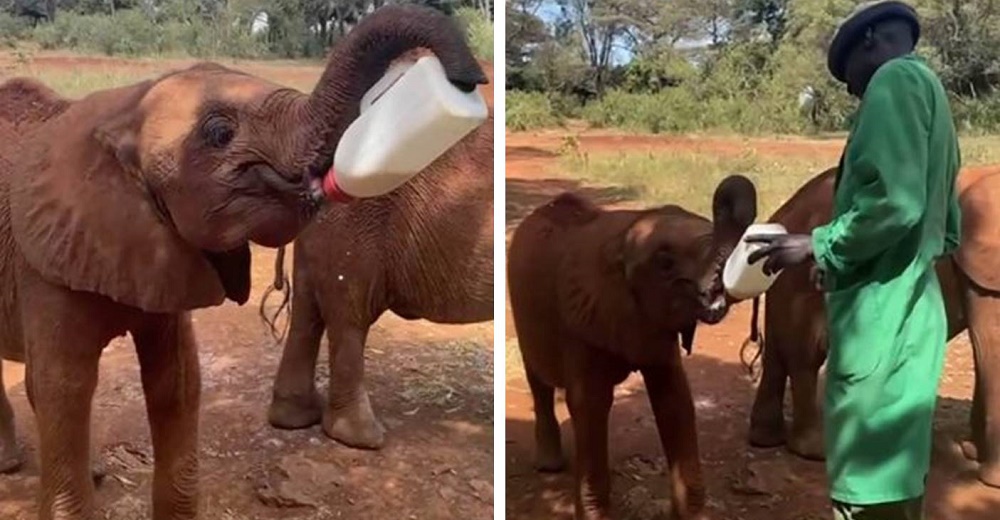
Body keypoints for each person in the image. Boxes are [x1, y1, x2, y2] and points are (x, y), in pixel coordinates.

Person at [745, 2, 961, 519]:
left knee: (864, 487)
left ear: (869, 42)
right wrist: (849, 261)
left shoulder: (893, 81)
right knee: (896, 474)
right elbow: (944, 225)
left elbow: (896, 204)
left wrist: (817, 244)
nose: (851, 92)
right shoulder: (933, 95)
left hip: (878, 320)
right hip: (912, 309)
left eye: (848, 79)